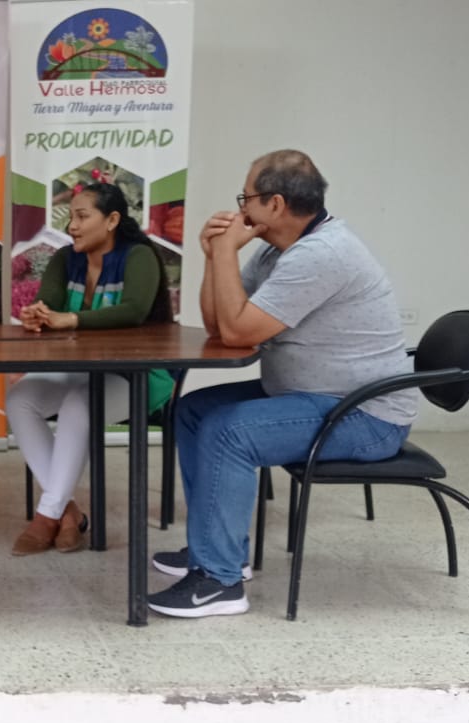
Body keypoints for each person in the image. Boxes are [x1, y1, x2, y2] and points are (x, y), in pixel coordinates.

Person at [149, 150, 416, 618]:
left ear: (274, 203)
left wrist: (227, 251)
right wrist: (215, 258)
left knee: (228, 431)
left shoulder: (321, 254)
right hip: (312, 397)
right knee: (192, 411)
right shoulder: (278, 251)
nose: (240, 209)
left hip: (364, 416)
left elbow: (237, 333)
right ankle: (219, 548)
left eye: (246, 198)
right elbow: (219, 326)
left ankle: (220, 581)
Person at [6, 183, 176, 556]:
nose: (72, 226)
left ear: (112, 220)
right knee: (20, 399)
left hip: (136, 375)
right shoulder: (65, 258)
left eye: (82, 216)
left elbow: (133, 311)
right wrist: (37, 314)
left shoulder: (139, 257)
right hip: (78, 366)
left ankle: (46, 516)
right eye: (71, 217)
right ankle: (68, 513)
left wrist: (71, 319)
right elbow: (48, 302)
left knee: (80, 405)